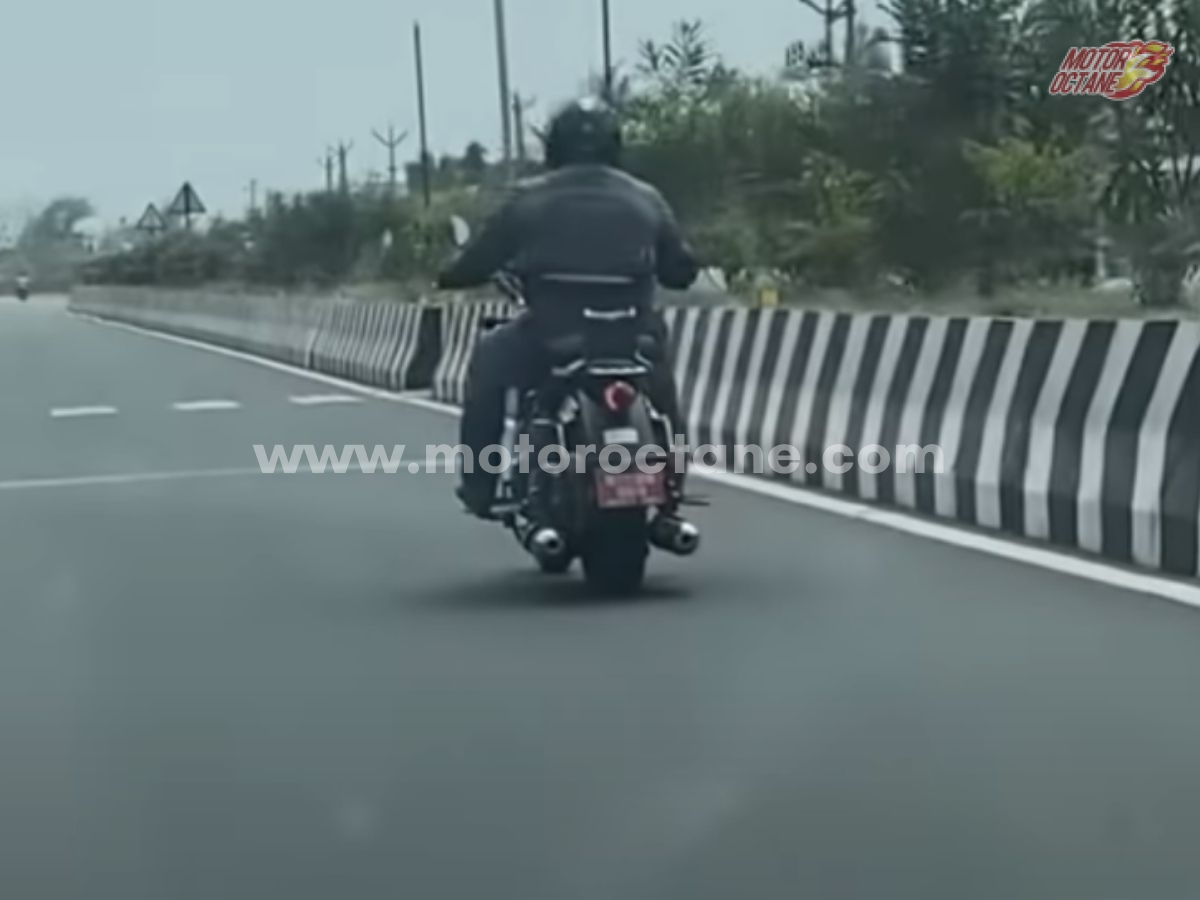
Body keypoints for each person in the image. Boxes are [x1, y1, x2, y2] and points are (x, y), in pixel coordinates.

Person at [436, 96, 699, 518]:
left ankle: (480, 483)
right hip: (632, 334)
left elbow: (477, 261)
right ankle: (673, 484)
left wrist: (449, 275)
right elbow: (680, 270)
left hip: (551, 335)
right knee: (662, 392)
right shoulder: (647, 198)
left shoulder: (525, 198)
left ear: (554, 147)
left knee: (488, 359)